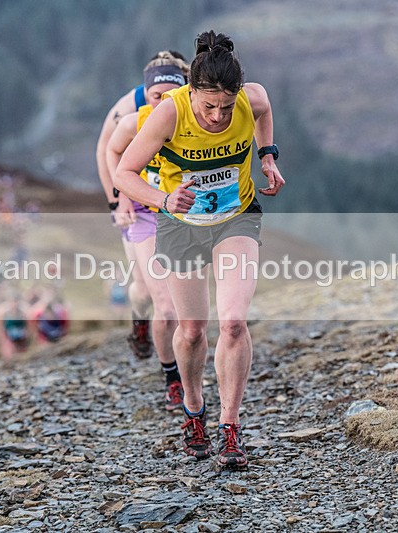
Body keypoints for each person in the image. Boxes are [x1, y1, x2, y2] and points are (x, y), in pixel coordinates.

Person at [114, 31, 285, 469]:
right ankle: (194, 408)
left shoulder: (252, 99)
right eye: (208, 105)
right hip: (181, 225)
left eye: (225, 107)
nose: (217, 115)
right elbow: (124, 173)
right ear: (192, 92)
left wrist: (267, 156)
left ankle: (230, 427)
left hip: (236, 218)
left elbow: (264, 112)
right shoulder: (167, 115)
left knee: (231, 323)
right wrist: (164, 200)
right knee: (191, 330)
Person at [106, 56, 189, 410]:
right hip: (145, 215)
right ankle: (172, 379)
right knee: (162, 304)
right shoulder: (133, 122)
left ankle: (167, 345)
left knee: (174, 302)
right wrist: (121, 196)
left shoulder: (194, 121)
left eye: (173, 95)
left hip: (181, 216)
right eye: (156, 96)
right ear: (146, 94)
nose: (164, 104)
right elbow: (110, 150)